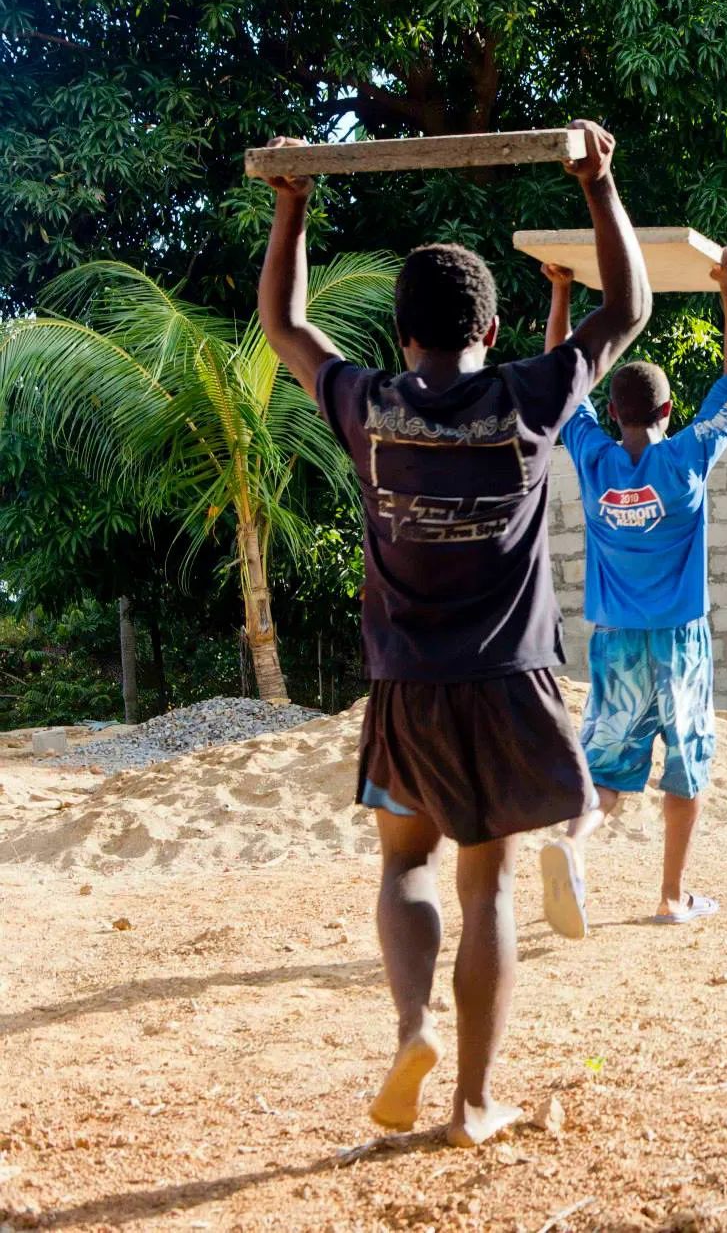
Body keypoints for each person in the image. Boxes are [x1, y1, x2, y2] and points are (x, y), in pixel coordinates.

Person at [255, 119, 652, 1148]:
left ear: (402, 333)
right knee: (488, 883)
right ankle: (473, 1103)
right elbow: (629, 309)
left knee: (405, 867)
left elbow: (287, 327)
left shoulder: (367, 401)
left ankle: (412, 1024)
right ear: (486, 329)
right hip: (512, 677)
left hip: (403, 685)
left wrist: (291, 204)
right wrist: (597, 186)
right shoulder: (526, 394)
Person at [533, 245, 727, 937]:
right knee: (687, 769)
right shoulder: (686, 459)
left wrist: (562, 294)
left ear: (619, 411)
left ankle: (569, 848)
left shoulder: (593, 461)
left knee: (605, 774)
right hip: (681, 639)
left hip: (616, 643)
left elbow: (563, 382)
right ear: (665, 408)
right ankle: (671, 898)